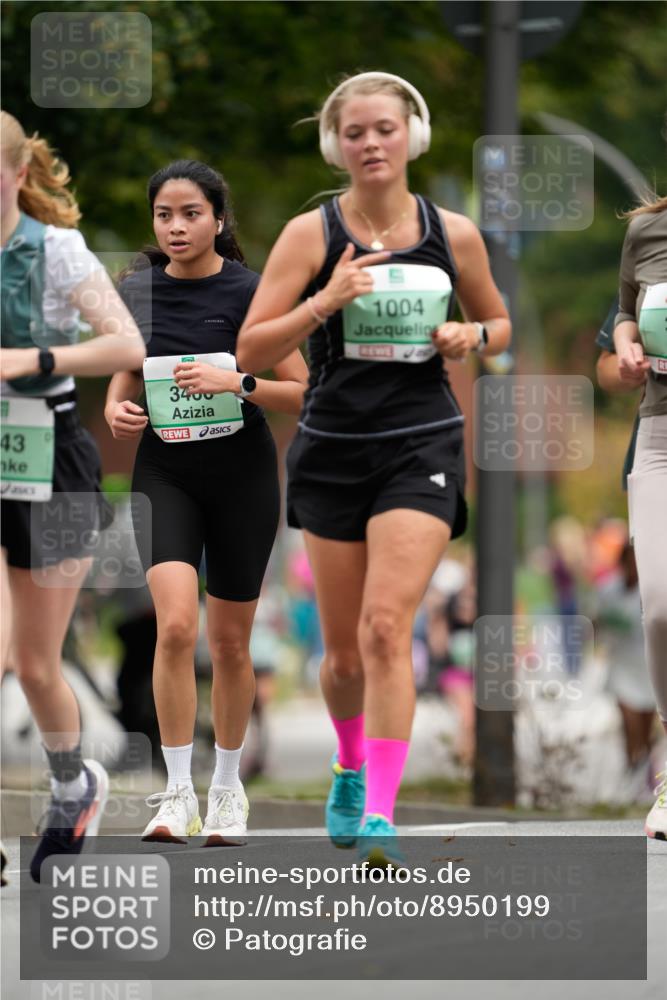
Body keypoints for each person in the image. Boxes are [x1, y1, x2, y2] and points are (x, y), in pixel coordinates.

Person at [236, 72, 511, 863]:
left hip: (420, 443)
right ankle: (350, 763)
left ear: (410, 137)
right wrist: (327, 299)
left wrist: (472, 340)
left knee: (388, 628)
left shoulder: (450, 233)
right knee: (345, 652)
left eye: (383, 129)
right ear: (337, 146)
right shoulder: (309, 234)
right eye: (354, 132)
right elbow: (251, 349)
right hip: (330, 451)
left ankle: (383, 815)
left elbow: (497, 323)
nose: (370, 144)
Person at [105, 160, 308, 845]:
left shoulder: (254, 293)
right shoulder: (138, 290)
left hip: (241, 476)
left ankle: (226, 789)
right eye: (164, 214)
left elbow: (302, 391)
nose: (176, 226)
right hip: (164, 472)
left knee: (228, 642)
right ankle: (175, 793)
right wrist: (116, 409)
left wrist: (238, 382)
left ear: (219, 220)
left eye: (190, 213)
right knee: (173, 629)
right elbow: (125, 370)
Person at [0, 111, 146, 881]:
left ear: (19, 173)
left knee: (33, 663)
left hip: (48, 455)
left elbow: (127, 343)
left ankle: (72, 786)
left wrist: (34, 355)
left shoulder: (53, 251)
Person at [611, 191, 667, 840]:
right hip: (659, 434)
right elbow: (626, 316)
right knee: (658, 605)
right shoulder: (647, 231)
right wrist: (626, 347)